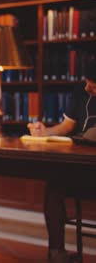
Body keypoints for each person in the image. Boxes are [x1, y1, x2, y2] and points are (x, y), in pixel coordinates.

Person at [27, 57, 96, 262]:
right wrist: (45, 132)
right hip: (81, 166)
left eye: (93, 84)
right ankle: (57, 253)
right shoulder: (81, 91)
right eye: (86, 82)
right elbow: (67, 126)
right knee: (54, 186)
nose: (87, 88)